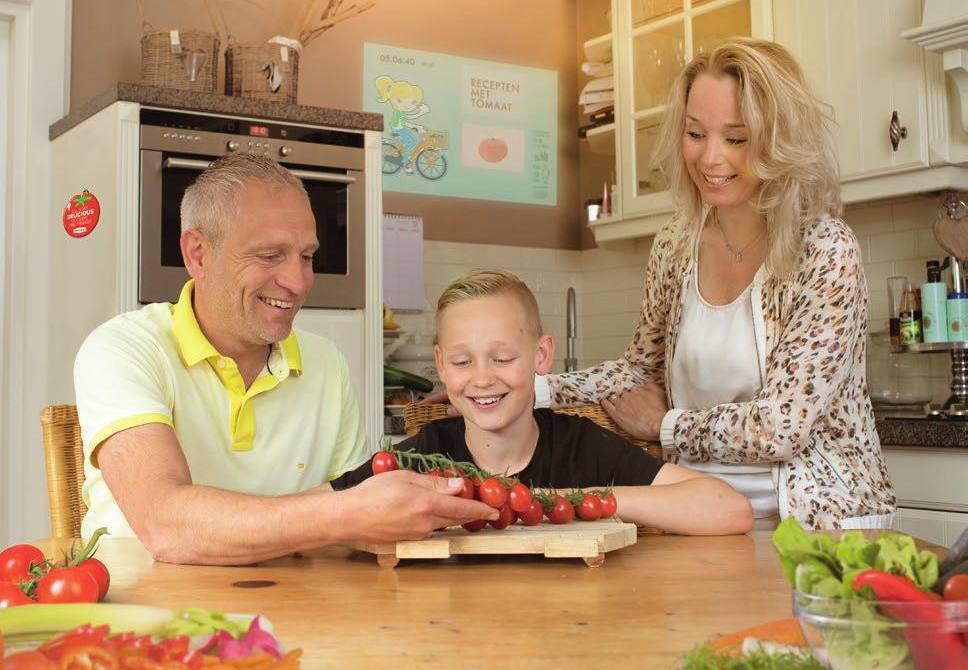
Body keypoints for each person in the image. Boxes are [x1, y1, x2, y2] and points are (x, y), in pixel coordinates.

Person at [536, 39, 895, 531]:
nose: (709, 157)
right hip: (699, 513)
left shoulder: (825, 250)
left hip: (812, 524)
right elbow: (638, 373)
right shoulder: (675, 244)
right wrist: (524, 388)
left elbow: (782, 426)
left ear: (777, 142)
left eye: (735, 138)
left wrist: (667, 426)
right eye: (695, 133)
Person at [73, 153, 496, 565]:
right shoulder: (123, 349)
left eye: (307, 256)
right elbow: (165, 525)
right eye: (269, 255)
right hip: (141, 621)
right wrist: (348, 513)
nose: (297, 282)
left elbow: (349, 505)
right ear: (198, 253)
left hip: (295, 614)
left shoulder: (325, 362)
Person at [333, 269, 754, 535]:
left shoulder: (582, 446)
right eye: (463, 361)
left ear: (541, 356)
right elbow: (324, 509)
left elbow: (730, 510)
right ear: (441, 366)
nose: (482, 378)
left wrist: (567, 500)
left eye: (503, 359)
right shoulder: (423, 454)